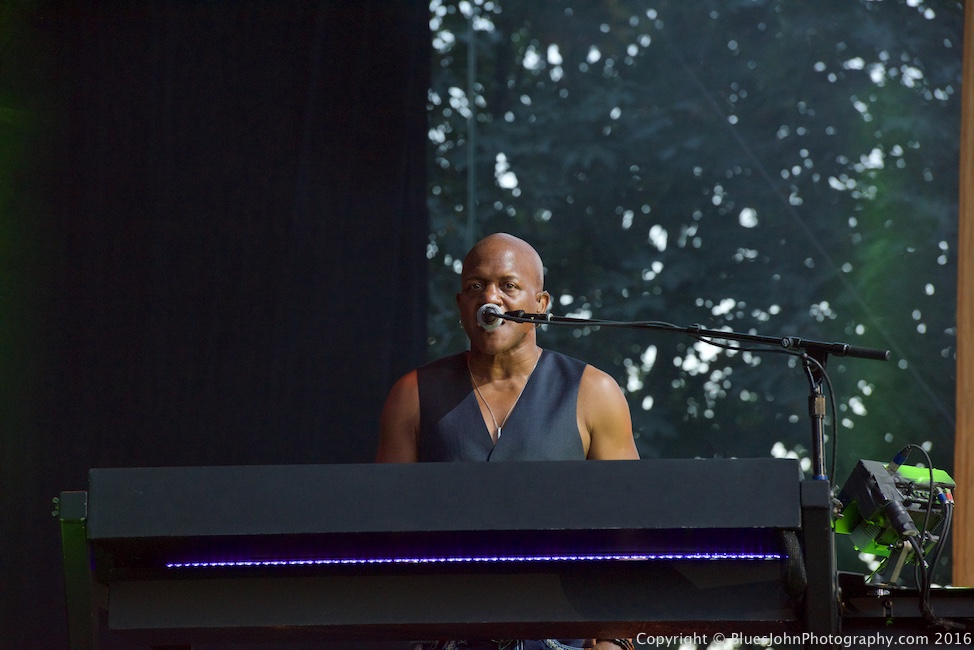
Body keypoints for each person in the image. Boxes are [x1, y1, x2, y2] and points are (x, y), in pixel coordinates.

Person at [376, 233, 639, 650]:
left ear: (541, 303)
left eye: (508, 285)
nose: (490, 297)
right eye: (475, 286)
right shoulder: (412, 394)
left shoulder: (594, 391)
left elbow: (630, 532)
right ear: (462, 305)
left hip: (562, 639)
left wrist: (612, 639)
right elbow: (386, 534)